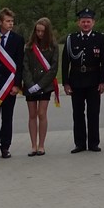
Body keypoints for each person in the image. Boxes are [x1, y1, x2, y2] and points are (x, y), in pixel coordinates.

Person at [62, 8, 104, 152]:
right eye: (83, 22)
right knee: (78, 113)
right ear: (79, 23)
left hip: (94, 80)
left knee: (93, 113)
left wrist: (103, 81)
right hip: (76, 80)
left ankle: (94, 143)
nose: (86, 24)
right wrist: (66, 83)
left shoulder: (100, 38)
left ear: (93, 23)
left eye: (88, 21)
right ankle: (80, 143)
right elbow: (65, 62)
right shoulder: (71, 39)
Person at [0, 7, 23, 159]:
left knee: (7, 118)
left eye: (12, 21)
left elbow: (19, 64)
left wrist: (17, 85)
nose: (11, 24)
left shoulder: (18, 40)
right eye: (7, 21)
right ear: (0, 22)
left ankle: (5, 147)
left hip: (9, 85)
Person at [23, 17, 59, 156]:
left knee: (41, 113)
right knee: (32, 114)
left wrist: (40, 85)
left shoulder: (53, 46)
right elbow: (25, 66)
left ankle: (41, 145)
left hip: (45, 85)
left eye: (42, 31)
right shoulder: (29, 46)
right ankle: (33, 145)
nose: (39, 34)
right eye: (37, 31)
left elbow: (53, 68)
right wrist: (30, 84)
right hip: (30, 85)